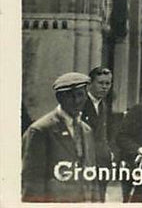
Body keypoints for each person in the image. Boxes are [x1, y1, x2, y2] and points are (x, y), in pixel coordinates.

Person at [22, 72, 99, 202]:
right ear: (59, 98)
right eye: (70, 96)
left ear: (86, 96)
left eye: (80, 95)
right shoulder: (41, 130)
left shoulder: (86, 130)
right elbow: (32, 182)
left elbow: (91, 175)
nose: (76, 101)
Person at [81, 66, 116, 200]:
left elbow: (106, 133)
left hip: (102, 162)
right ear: (90, 84)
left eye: (108, 83)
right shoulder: (81, 103)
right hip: (86, 161)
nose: (105, 87)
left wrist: (110, 152)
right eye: (100, 83)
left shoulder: (103, 105)